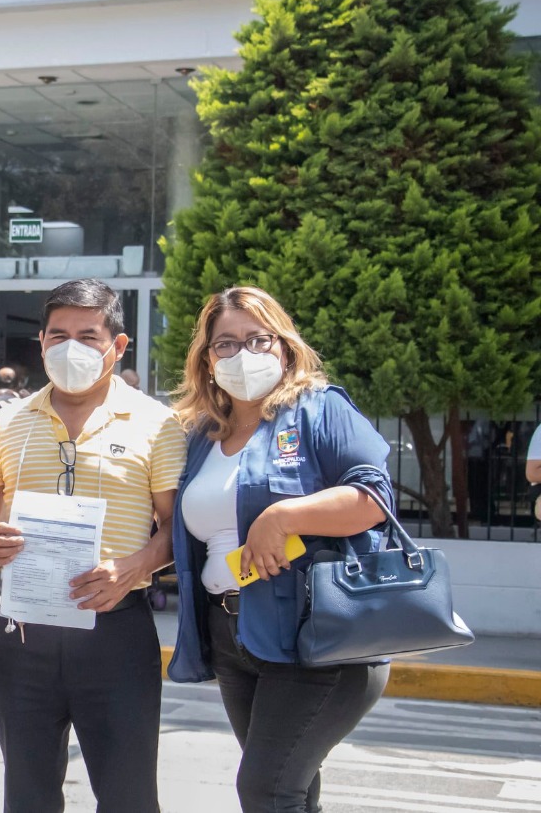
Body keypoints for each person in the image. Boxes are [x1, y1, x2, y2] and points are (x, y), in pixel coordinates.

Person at [0, 279, 185, 813]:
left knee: (128, 796)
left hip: (115, 630)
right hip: (22, 632)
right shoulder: (11, 420)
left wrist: (133, 568)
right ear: (40, 342)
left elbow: (177, 527)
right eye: (58, 335)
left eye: (88, 335)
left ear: (119, 345)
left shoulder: (157, 423)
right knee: (28, 795)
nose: (71, 348)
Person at [168, 286, 393, 813]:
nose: (241, 354)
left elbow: (373, 497)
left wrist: (284, 514)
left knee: (266, 791)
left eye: (257, 339)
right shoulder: (202, 435)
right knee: (292, 791)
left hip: (315, 636)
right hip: (232, 633)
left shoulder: (319, 409)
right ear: (206, 358)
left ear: (284, 348)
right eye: (225, 344)